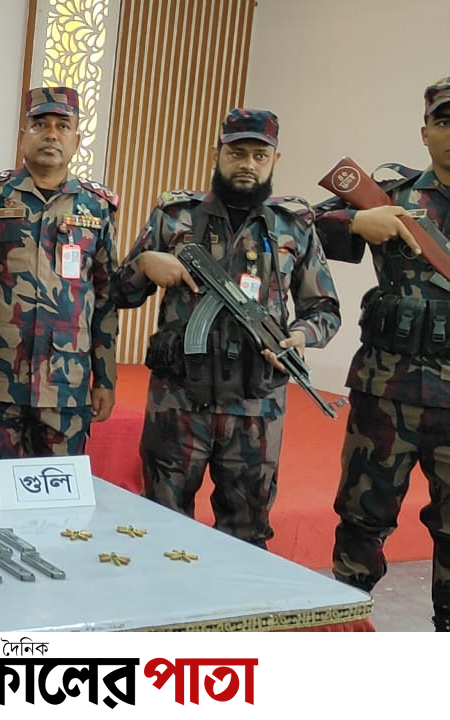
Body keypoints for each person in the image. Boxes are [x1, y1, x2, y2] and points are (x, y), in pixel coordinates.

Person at [111, 108, 340, 548]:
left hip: (255, 406)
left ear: (275, 159)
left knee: (246, 533)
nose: (248, 164)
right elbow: (119, 292)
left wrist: (300, 336)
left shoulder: (293, 224)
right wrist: (145, 263)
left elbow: (324, 309)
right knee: (160, 524)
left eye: (259, 155)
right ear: (216, 153)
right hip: (178, 401)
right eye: (237, 153)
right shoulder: (174, 215)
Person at [313, 77, 450, 631]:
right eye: (444, 120)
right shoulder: (391, 195)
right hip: (385, 396)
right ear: (424, 132)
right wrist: (355, 221)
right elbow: (293, 229)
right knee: (361, 526)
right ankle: (344, 637)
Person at [0, 86, 119, 466]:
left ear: (76, 140)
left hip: (66, 387)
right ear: (23, 136)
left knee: (57, 494)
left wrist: (105, 377)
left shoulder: (96, 207)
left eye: (62, 126)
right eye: (40, 125)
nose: (51, 134)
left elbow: (104, 296)